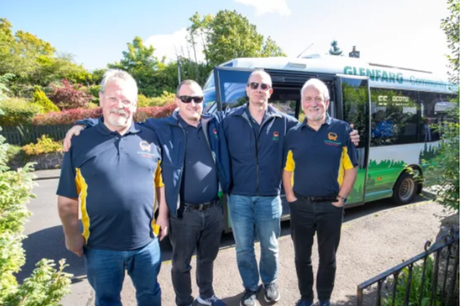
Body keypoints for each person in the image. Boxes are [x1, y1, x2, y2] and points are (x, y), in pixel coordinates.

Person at [63, 80, 231, 306]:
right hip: (184, 212)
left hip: (214, 208)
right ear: (176, 101)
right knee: (181, 263)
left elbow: (246, 109)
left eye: (198, 99)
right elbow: (120, 118)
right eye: (186, 98)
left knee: (208, 258)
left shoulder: (214, 124)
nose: (193, 103)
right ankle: (184, 301)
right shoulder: (159, 127)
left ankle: (206, 295)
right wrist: (85, 123)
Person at [222, 70, 360, 306]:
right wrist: (292, 197)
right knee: (253, 250)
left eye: (263, 86)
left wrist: (341, 197)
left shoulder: (289, 123)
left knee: (281, 249)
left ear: (270, 91)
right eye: (253, 85)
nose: (258, 89)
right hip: (253, 199)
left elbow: (346, 161)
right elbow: (201, 123)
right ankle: (259, 291)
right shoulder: (230, 120)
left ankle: (289, 288)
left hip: (293, 201)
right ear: (247, 89)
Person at [57, 69, 168, 306]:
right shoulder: (80, 141)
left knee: (150, 295)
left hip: (146, 243)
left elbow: (161, 183)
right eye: (113, 98)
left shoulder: (151, 137)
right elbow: (67, 199)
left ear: (135, 104)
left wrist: (164, 216)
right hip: (100, 248)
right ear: (101, 99)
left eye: (127, 100)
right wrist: (71, 235)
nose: (120, 105)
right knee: (107, 300)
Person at [282, 78, 358, 306]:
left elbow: (351, 168)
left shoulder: (342, 130)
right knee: (301, 258)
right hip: (301, 207)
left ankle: (323, 299)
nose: (313, 103)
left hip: (330, 208)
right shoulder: (293, 133)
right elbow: (287, 169)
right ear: (302, 103)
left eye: (318, 99)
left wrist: (341, 198)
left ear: (326, 101)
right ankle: (306, 298)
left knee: (328, 259)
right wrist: (291, 198)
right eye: (308, 99)